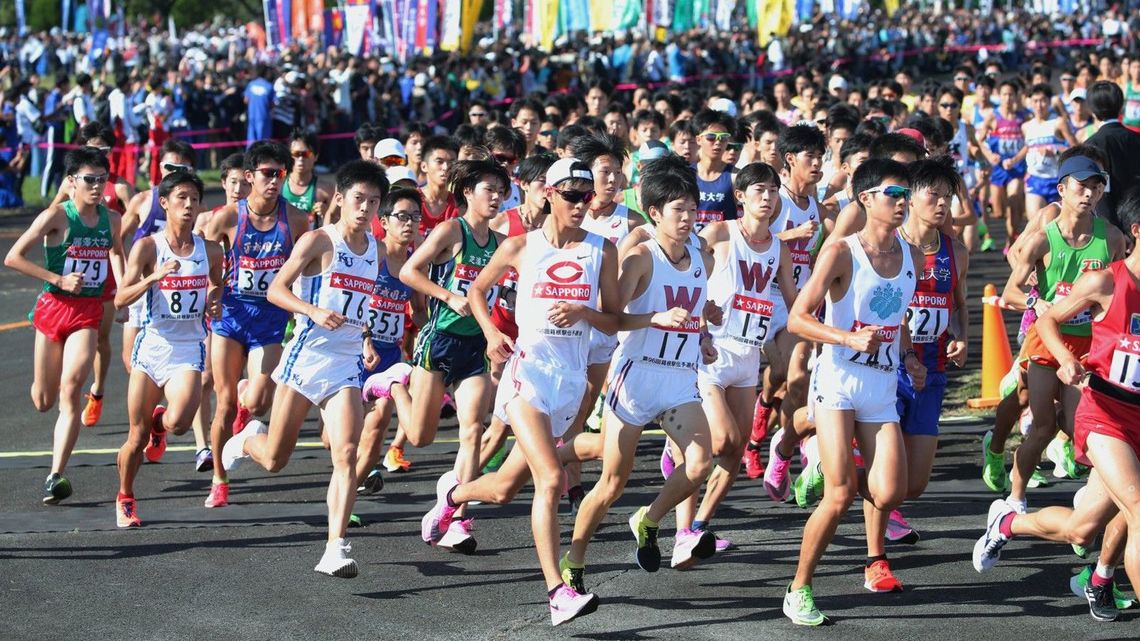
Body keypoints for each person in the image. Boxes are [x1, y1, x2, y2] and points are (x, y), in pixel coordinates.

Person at [420, 157, 620, 625]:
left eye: (586, 196)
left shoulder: (602, 251)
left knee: (507, 488)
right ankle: (557, 593)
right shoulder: (518, 246)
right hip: (526, 375)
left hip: (568, 385)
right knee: (549, 479)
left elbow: (613, 318)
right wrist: (491, 334)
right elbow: (475, 291)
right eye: (571, 195)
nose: (581, 204)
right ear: (548, 195)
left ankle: (451, 497)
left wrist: (586, 315)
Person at [973, 189, 1140, 623]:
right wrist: (1066, 359)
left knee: (1083, 527)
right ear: (1137, 232)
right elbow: (1047, 319)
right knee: (1139, 507)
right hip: (1106, 415)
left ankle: (1011, 527)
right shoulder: (1106, 280)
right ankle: (1103, 576)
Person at [222, 160, 389, 577]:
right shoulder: (318, 241)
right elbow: (276, 289)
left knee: (347, 454)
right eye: (358, 199)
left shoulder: (377, 249)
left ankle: (335, 547)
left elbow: (360, 306)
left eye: (373, 201)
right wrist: (311, 310)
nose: (365, 208)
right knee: (276, 458)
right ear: (340, 199)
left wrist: (365, 339)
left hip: (345, 362)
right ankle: (248, 439)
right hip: (306, 357)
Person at [782, 158, 926, 626]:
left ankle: (813, 441)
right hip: (839, 377)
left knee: (890, 491)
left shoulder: (913, 256)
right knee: (841, 494)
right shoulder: (842, 252)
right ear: (865, 199)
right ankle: (799, 588)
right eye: (893, 194)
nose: (902, 202)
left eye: (906, 194)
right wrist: (845, 338)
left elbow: (898, 320)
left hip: (882, 383)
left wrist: (908, 358)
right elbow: (798, 318)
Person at [565, 153, 717, 591]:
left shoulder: (701, 258)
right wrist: (654, 319)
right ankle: (574, 559)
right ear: (655, 213)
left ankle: (648, 520)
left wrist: (705, 325)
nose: (688, 218)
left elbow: (694, 314)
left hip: (679, 378)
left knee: (701, 460)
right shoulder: (640, 258)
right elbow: (609, 318)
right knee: (612, 481)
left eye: (692, 209)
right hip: (635, 378)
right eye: (679, 210)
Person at [675, 162, 797, 550]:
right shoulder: (719, 233)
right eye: (759, 189)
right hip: (711, 352)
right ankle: (675, 450)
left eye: (774, 190)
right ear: (740, 196)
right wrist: (699, 318)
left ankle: (697, 525)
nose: (768, 197)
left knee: (736, 449)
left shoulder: (780, 249)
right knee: (722, 440)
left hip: (748, 357)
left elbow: (795, 304)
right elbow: (683, 271)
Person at [999, 155, 1125, 514]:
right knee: (1041, 427)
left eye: (1096, 186)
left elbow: (1115, 290)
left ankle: (1090, 502)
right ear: (1062, 189)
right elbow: (1011, 291)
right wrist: (1036, 303)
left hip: (1087, 343)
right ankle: (1016, 497)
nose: (1089, 193)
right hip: (1045, 339)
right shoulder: (1042, 239)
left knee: (1077, 426)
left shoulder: (1112, 238)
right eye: (1081, 186)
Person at [398, 159, 510, 551]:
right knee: (420, 436)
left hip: (475, 346)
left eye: (501, 191)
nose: (496, 197)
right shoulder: (451, 230)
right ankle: (394, 387)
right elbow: (409, 272)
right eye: (488, 190)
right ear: (467, 192)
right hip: (440, 339)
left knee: (472, 432)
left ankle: (457, 519)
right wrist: (448, 296)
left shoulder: (499, 245)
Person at [4, 147, 126, 504]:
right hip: (53, 307)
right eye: (90, 180)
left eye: (102, 180)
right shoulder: (56, 216)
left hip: (87, 311)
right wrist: (57, 279)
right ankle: (43, 388)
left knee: (72, 388)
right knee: (44, 400)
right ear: (71, 182)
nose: (98, 186)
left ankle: (56, 475)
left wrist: (120, 291)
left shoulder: (112, 220)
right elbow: (14, 257)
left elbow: (117, 252)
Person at [864, 158, 968, 550]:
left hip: (934, 370)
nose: (942, 204)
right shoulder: (893, 249)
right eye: (933, 195)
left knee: (916, 484)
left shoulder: (955, 252)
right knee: (887, 480)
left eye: (948, 196)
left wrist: (962, 337)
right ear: (912, 197)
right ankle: (876, 553)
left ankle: (870, 492)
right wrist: (905, 354)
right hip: (891, 370)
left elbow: (960, 303)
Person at [201, 141, 310, 508]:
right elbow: (203, 259)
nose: (274, 181)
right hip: (231, 317)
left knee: (260, 402)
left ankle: (248, 418)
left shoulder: (294, 219)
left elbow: (304, 269)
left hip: (270, 319)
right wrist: (213, 289)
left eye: (280, 174)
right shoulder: (229, 218)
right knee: (225, 403)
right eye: (267, 173)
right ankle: (219, 477)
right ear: (249, 177)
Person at [112, 171, 223, 527]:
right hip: (153, 345)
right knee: (135, 437)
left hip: (188, 347)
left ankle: (161, 421)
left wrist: (213, 301)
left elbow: (219, 286)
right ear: (164, 203)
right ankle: (126, 496)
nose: (189, 205)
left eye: (194, 199)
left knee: (177, 423)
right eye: (181, 199)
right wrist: (152, 278)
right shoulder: (148, 247)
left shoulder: (211, 250)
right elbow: (120, 299)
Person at [753, 124, 826, 490]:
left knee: (797, 379)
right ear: (790, 160)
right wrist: (789, 236)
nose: (817, 163)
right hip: (759, 300)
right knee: (779, 373)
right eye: (810, 157)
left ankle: (781, 456)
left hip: (793, 302)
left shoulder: (815, 205)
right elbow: (750, 239)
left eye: (820, 156)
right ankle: (762, 408)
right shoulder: (775, 198)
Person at [48, 123, 134, 430]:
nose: (99, 156)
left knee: (100, 337)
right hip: (72, 269)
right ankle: (67, 382)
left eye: (104, 151)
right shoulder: (73, 185)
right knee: (68, 335)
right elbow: (53, 214)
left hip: (107, 272)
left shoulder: (120, 187)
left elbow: (135, 222)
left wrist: (126, 272)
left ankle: (96, 391)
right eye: (93, 150)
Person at [356, 189, 425, 496]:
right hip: (358, 350)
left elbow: (420, 312)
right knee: (336, 436)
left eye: (415, 217)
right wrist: (365, 339)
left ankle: (355, 482)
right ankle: (356, 467)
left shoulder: (414, 266)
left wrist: (434, 334)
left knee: (380, 418)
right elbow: (354, 304)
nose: (409, 223)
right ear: (384, 221)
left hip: (390, 357)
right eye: (402, 216)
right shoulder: (373, 255)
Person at [119, 139, 196, 375]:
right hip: (143, 288)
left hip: (177, 289)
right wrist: (125, 279)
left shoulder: (194, 207)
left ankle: (167, 404)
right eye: (170, 168)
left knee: (177, 359)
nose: (174, 174)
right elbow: (117, 240)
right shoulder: (142, 201)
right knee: (131, 361)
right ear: (159, 167)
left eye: (181, 170)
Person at [1085, 81, 1140, 229]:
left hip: (1107, 225)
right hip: (1136, 222)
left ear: (1092, 110)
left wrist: (1111, 229)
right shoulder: (1136, 138)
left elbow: (1099, 190)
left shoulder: (1091, 144)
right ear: (1121, 106)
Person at [284, 129, 333, 229]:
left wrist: (328, 213)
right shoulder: (277, 184)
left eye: (306, 154)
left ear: (316, 156)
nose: (301, 159)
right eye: (296, 154)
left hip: (313, 243)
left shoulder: (326, 190)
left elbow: (341, 224)